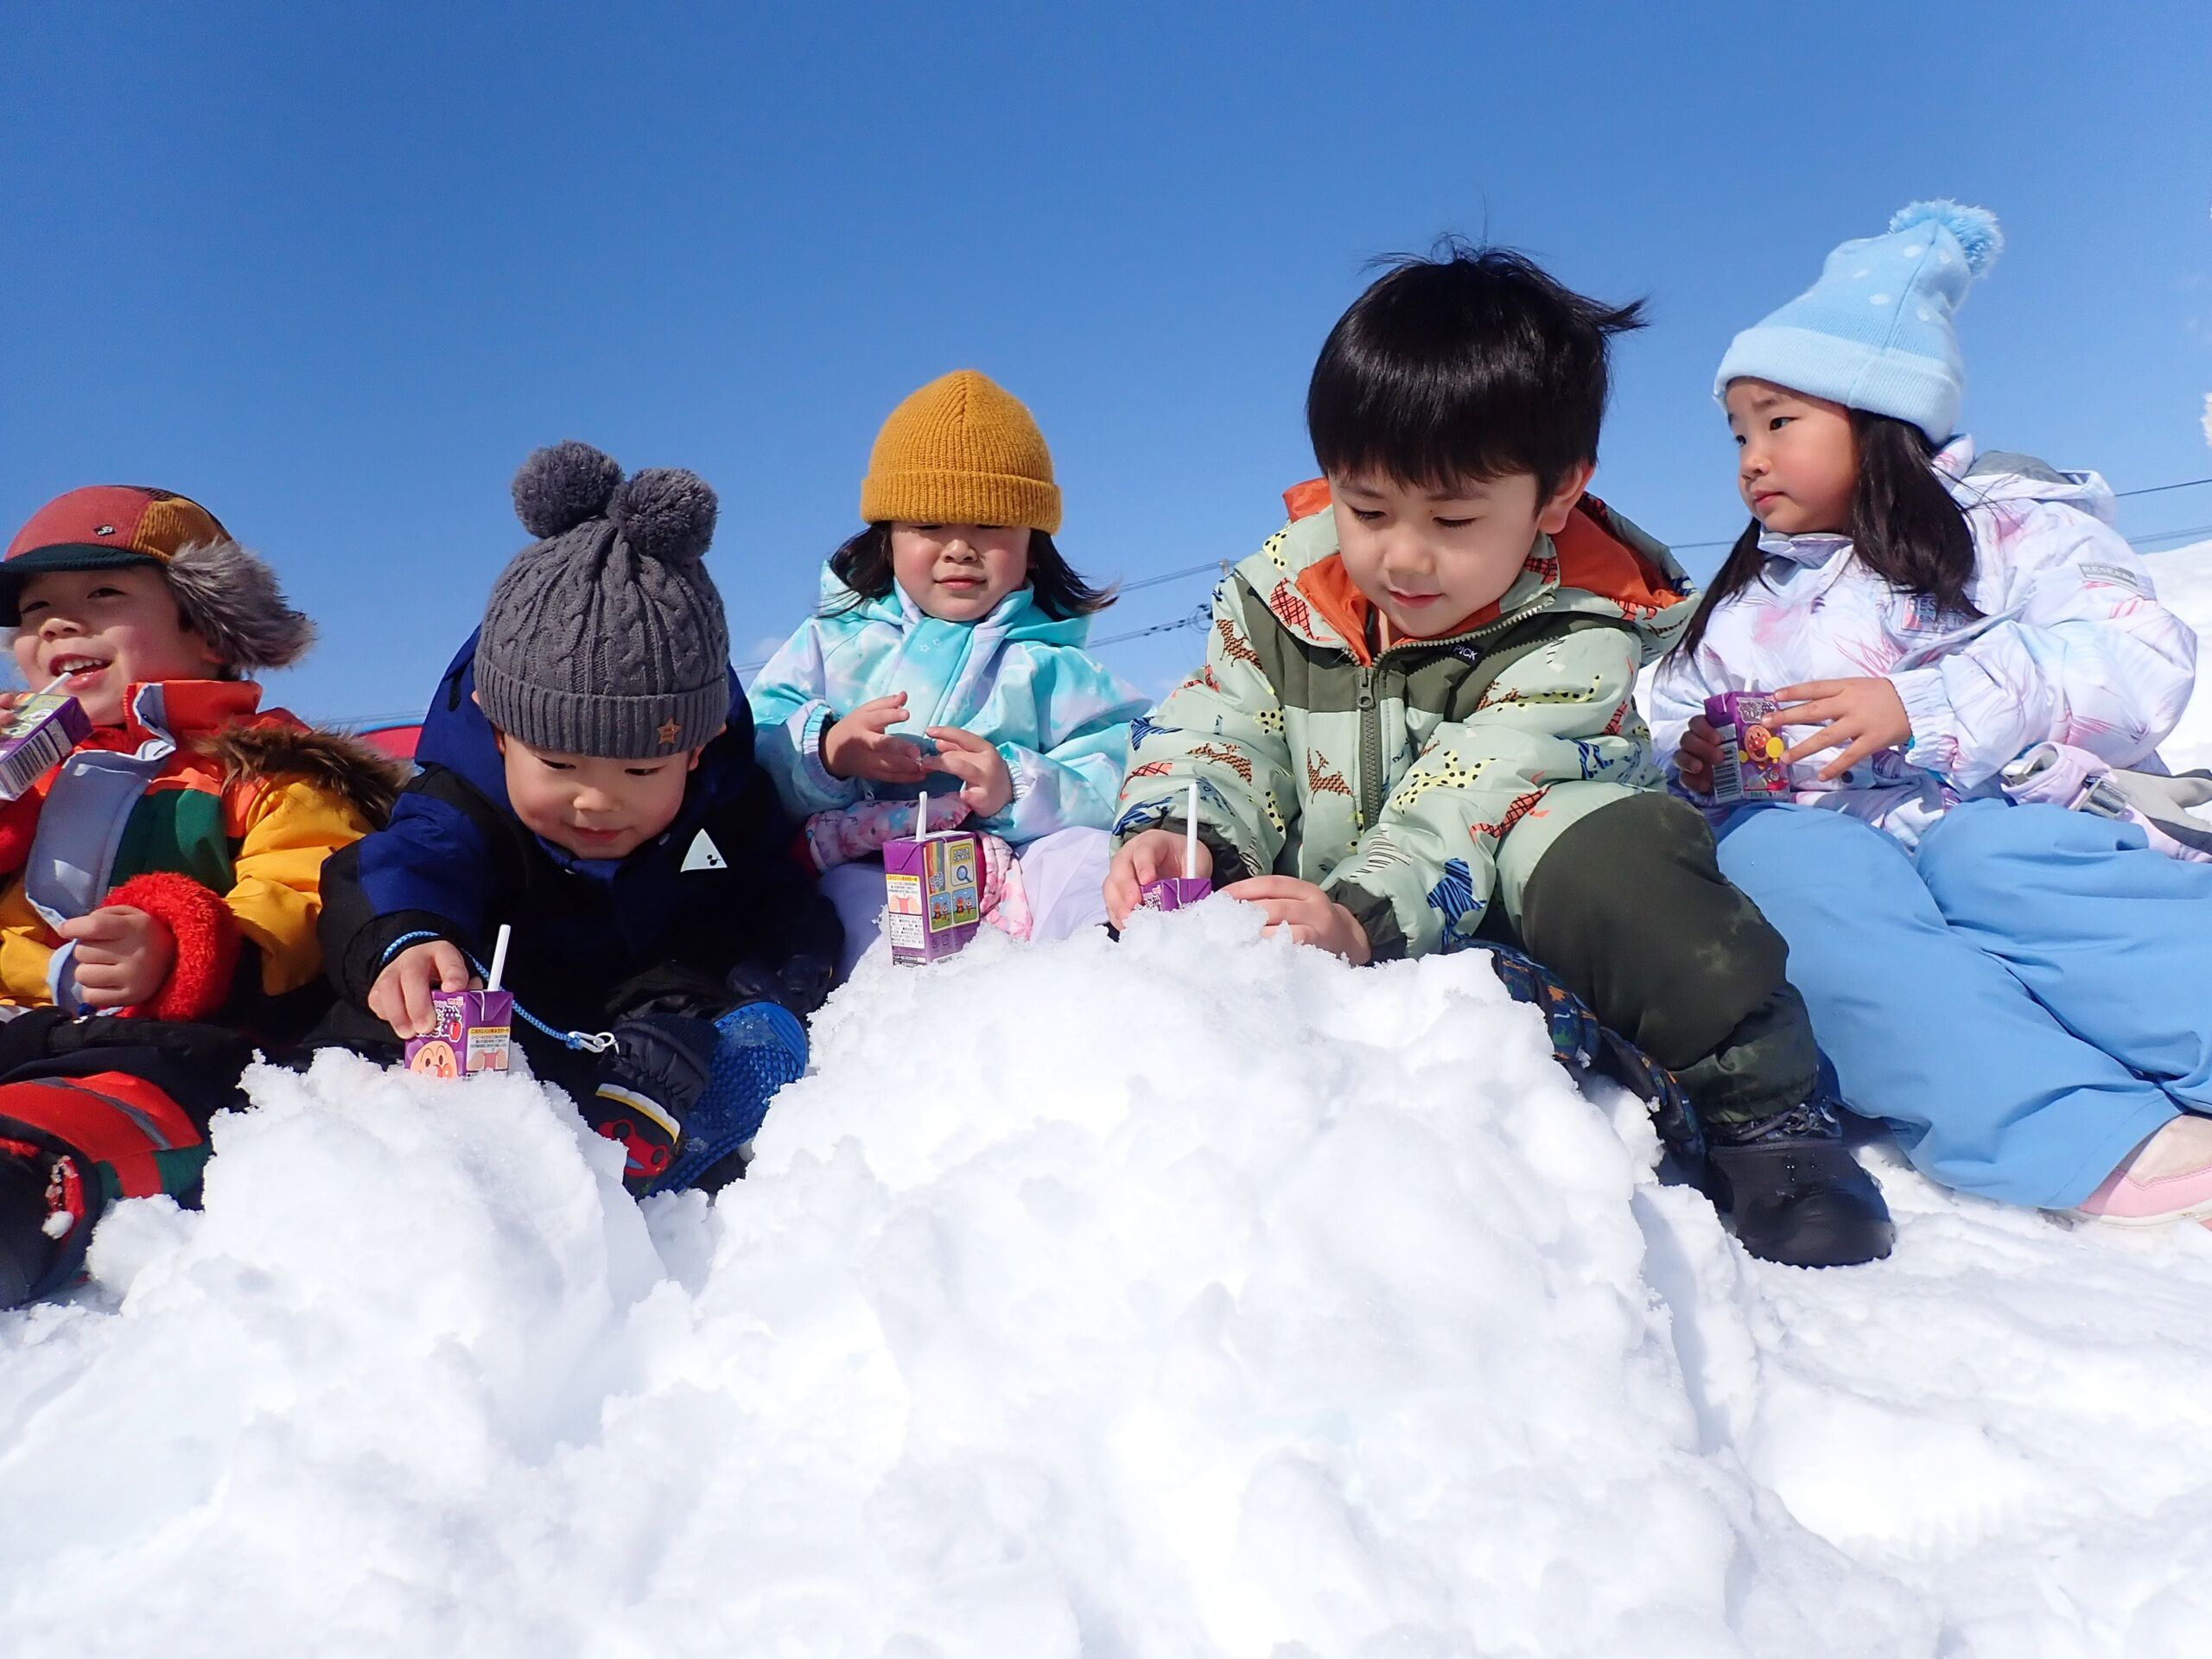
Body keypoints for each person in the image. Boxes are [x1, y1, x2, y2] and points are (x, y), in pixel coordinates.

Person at [1103, 244, 1892, 1268]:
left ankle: (1766, 1117)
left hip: (1504, 888)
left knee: (1621, 860)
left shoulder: (1577, 625)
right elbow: (1222, 719)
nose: (1401, 555)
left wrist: (1364, 915)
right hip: (1340, 913)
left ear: (1555, 495)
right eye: (1368, 509)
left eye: (1453, 518)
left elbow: (1480, 785)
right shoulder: (1277, 596)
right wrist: (1181, 827)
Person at [1650, 200, 2207, 1224]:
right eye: (1737, 432)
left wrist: (1921, 706)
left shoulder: (2011, 530)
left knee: (1991, 860)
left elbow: (2138, 659)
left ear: (1880, 416)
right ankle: (2079, 1132)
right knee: (1787, 865)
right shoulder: (1740, 606)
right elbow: (1680, 728)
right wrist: (1698, 765)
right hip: (1850, 873)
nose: (1749, 458)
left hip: (2030, 832)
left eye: (1779, 422)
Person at [318, 442, 842, 1196]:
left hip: (637, 1032)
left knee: (710, 1015)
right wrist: (405, 936)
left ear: (694, 754)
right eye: (558, 767)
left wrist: (794, 959)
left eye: (639, 772)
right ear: (501, 738)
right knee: (380, 1019)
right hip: (496, 1023)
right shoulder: (467, 806)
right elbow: (402, 865)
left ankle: (653, 1135)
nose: (597, 801)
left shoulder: (721, 804)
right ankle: (388, 1164)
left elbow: (771, 889)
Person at [0, 483, 401, 1306]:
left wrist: (180, 943)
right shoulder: (25, 776)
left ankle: (33, 1184)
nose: (57, 625)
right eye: (35, 608)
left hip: (173, 1044)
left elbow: (306, 887)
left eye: (102, 593)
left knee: (102, 1107)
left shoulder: (268, 768)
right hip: (24, 1024)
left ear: (208, 625)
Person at [747, 370, 1151, 976]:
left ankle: (1082, 993)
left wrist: (1014, 785)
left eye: (989, 525)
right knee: (845, 907)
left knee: (1087, 857)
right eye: (930, 525)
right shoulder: (831, 644)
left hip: (1010, 872)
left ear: (1032, 544)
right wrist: (827, 751)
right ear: (885, 537)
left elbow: (1119, 770)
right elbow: (755, 741)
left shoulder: (1052, 665)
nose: (959, 548)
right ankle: (890, 1022)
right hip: (873, 868)